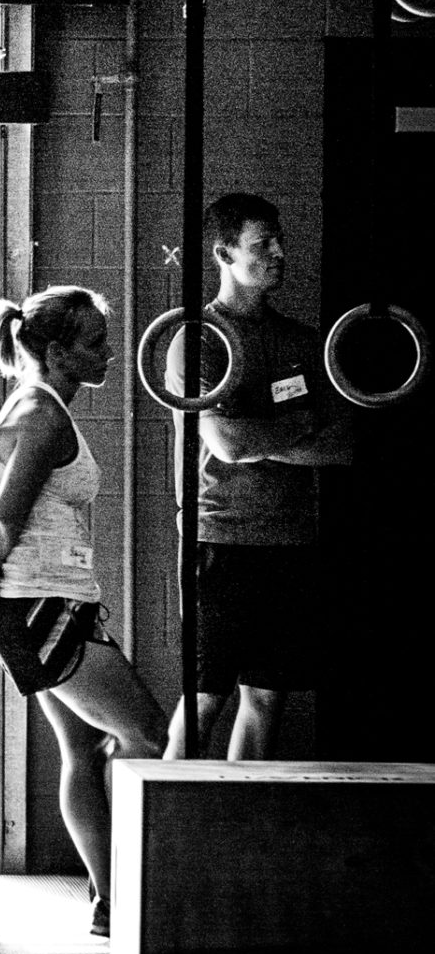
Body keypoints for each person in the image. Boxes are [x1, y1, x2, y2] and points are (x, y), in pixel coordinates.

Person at [0, 287, 165, 938]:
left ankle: (109, 902)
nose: (110, 355)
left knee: (84, 750)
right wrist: (7, 603)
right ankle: (127, 896)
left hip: (52, 604)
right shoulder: (39, 414)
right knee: (149, 737)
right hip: (42, 606)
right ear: (57, 353)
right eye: (94, 344)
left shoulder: (43, 406)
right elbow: (0, 525)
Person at [162, 192, 353, 760]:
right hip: (221, 541)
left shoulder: (301, 341)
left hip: (292, 541)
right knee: (204, 698)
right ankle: (168, 840)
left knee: (266, 697)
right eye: (261, 244)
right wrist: (298, 426)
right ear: (224, 253)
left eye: (278, 239)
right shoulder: (198, 338)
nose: (278, 252)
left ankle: (234, 832)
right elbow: (226, 442)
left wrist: (258, 436)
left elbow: (341, 444)